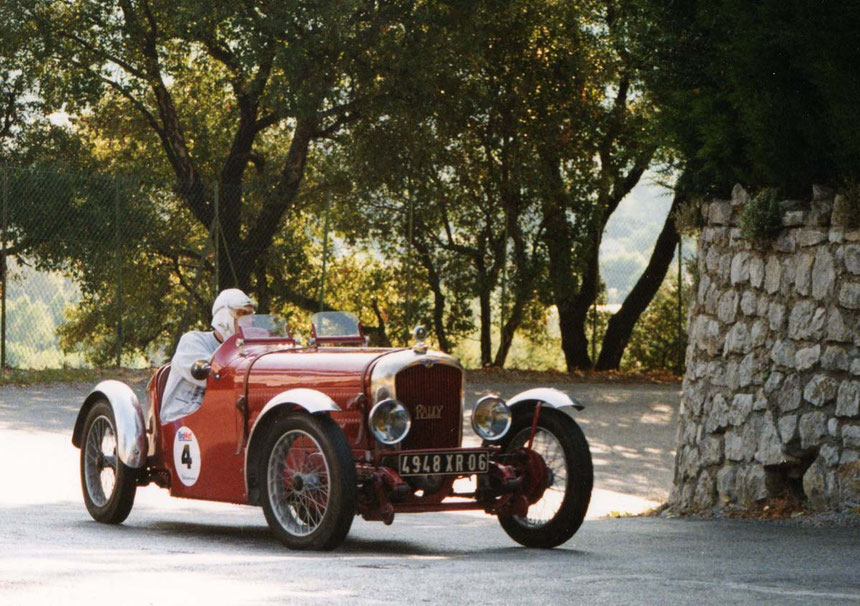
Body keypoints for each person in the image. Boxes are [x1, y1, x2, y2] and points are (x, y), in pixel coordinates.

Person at [159, 288, 256, 423]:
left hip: (219, 418)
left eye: (251, 315)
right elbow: (217, 376)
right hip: (184, 418)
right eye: (241, 314)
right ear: (224, 316)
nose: (249, 321)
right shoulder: (192, 341)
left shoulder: (247, 349)